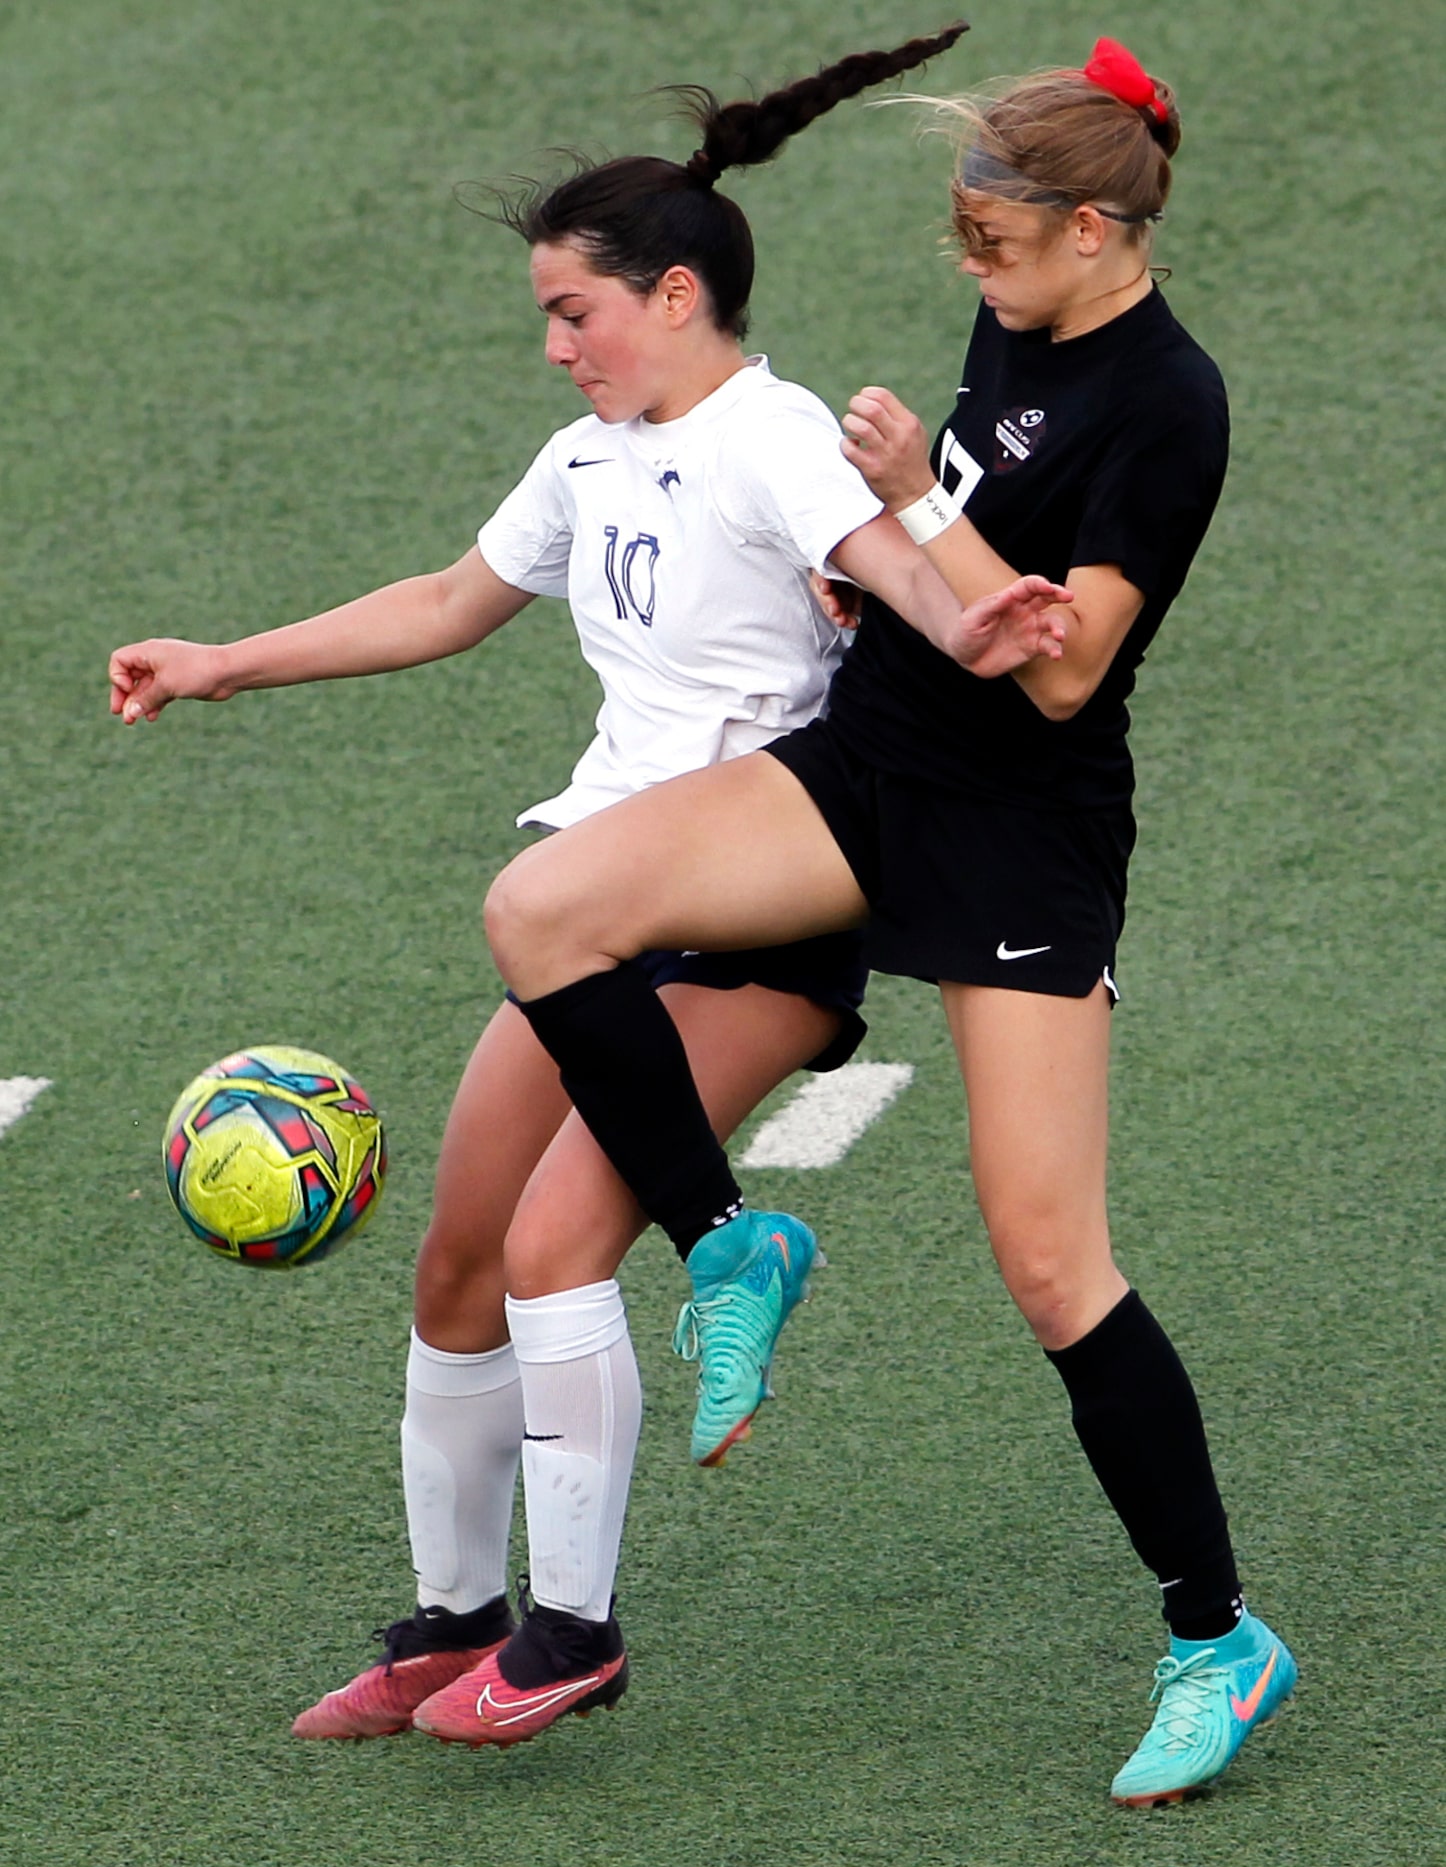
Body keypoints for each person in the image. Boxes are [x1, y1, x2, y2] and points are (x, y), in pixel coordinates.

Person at [108, 22, 1067, 1750]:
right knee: (461, 1259)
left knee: (559, 1250)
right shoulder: (586, 461)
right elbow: (443, 601)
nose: (556, 344)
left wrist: (966, 621)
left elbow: (892, 566)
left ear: (679, 294)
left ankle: (571, 1631)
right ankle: (449, 1620)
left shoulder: (771, 437)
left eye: (578, 310)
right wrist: (224, 661)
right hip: (596, 905)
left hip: (747, 917)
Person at [482, 37, 1297, 1804]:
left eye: (995, 239)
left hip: (1020, 837)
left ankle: (1214, 1634)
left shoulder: (1173, 402)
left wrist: (909, 501)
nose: (969, 264)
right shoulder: (1023, 319)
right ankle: (730, 1246)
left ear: (1096, 231)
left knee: (1049, 1264)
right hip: (870, 766)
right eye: (960, 229)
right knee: (543, 904)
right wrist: (888, 570)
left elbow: (1068, 667)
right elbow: (960, 586)